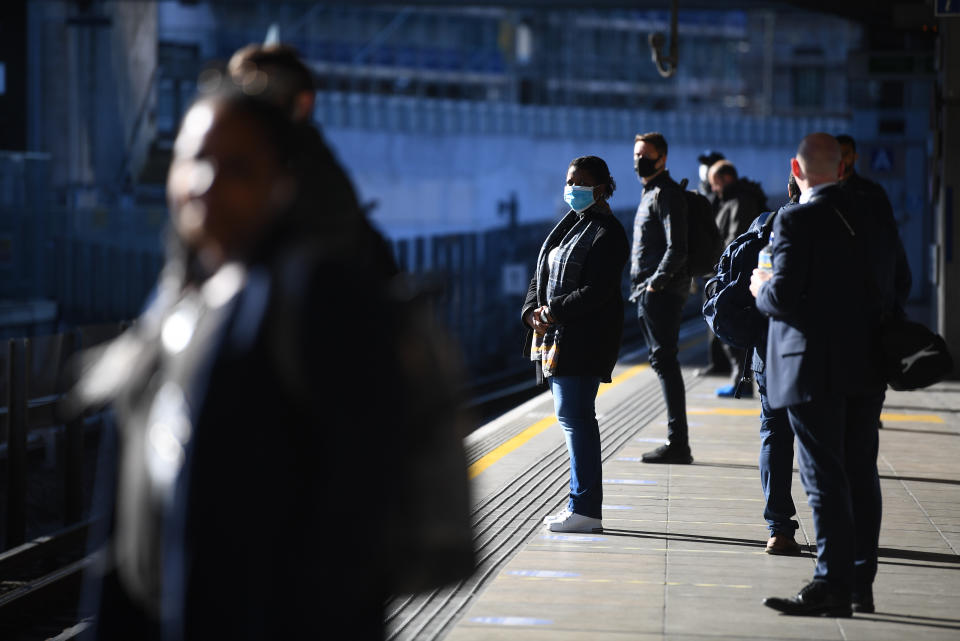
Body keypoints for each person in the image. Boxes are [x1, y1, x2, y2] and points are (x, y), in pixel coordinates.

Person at [75, 85, 397, 639]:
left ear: (283, 183)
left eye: (238, 167)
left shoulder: (314, 300)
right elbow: (122, 531)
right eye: (194, 159)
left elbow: (353, 533)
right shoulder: (173, 304)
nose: (206, 184)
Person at [751, 133, 909, 617]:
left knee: (823, 477)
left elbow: (782, 297)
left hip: (811, 368)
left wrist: (761, 286)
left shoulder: (796, 218)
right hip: (866, 365)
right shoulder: (875, 216)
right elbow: (900, 282)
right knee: (861, 471)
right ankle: (860, 581)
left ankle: (830, 584)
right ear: (842, 168)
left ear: (795, 169)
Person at [522, 155, 629, 534]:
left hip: (585, 340)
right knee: (573, 420)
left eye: (581, 183)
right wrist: (532, 309)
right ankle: (579, 505)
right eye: (570, 181)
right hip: (559, 338)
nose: (572, 188)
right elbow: (543, 273)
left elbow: (597, 291)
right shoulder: (571, 225)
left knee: (577, 421)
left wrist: (552, 312)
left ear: (601, 188)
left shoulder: (608, 232)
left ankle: (585, 508)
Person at [227, 43, 399, 279]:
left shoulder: (316, 183)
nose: (245, 108)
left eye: (262, 94)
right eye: (238, 93)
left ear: (302, 104)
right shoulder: (225, 172)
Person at [629, 132, 693, 464]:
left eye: (646, 155)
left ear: (663, 159)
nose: (639, 160)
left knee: (666, 362)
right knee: (663, 362)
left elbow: (677, 247)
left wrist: (656, 284)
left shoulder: (667, 194)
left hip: (661, 294)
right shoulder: (650, 193)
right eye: (637, 154)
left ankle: (678, 443)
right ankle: (677, 441)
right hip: (650, 292)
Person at [753, 174, 802, 556]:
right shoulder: (846, 225)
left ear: (790, 188)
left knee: (774, 432)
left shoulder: (766, 224)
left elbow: (762, 291)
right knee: (829, 442)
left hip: (769, 347)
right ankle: (841, 531)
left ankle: (780, 529)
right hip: (827, 350)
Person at [708, 160, 767, 398]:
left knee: (730, 324)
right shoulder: (736, 198)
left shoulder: (740, 202)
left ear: (726, 178)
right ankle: (740, 381)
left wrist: (720, 267)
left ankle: (741, 382)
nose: (713, 189)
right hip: (737, 273)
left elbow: (734, 241)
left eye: (715, 183)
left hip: (736, 275)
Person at [694, 149, 731, 378]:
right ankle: (718, 362)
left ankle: (724, 364)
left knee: (719, 313)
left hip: (720, 264)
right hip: (710, 263)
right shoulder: (704, 192)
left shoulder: (723, 195)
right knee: (710, 313)